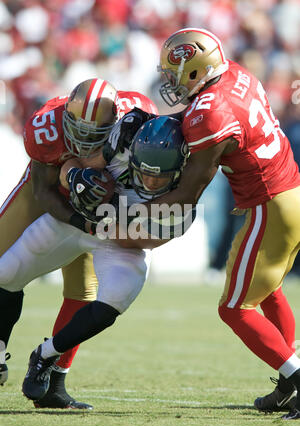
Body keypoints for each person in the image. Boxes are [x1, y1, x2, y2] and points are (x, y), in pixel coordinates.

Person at [101, 28, 300, 420]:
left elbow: (190, 190)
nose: (171, 81)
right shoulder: (234, 75)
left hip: (271, 205)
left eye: (177, 73)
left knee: (234, 309)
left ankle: (295, 376)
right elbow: (204, 115)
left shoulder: (211, 113)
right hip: (288, 194)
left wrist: (134, 208)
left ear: (196, 70)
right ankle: (287, 381)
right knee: (268, 290)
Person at [1, 116, 194, 404]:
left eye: (160, 177)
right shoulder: (120, 143)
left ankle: (46, 355)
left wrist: (111, 213)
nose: (151, 182)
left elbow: (145, 240)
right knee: (6, 273)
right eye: (145, 173)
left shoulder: (187, 195)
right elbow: (68, 165)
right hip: (72, 223)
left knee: (117, 296)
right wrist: (79, 180)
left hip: (120, 240)